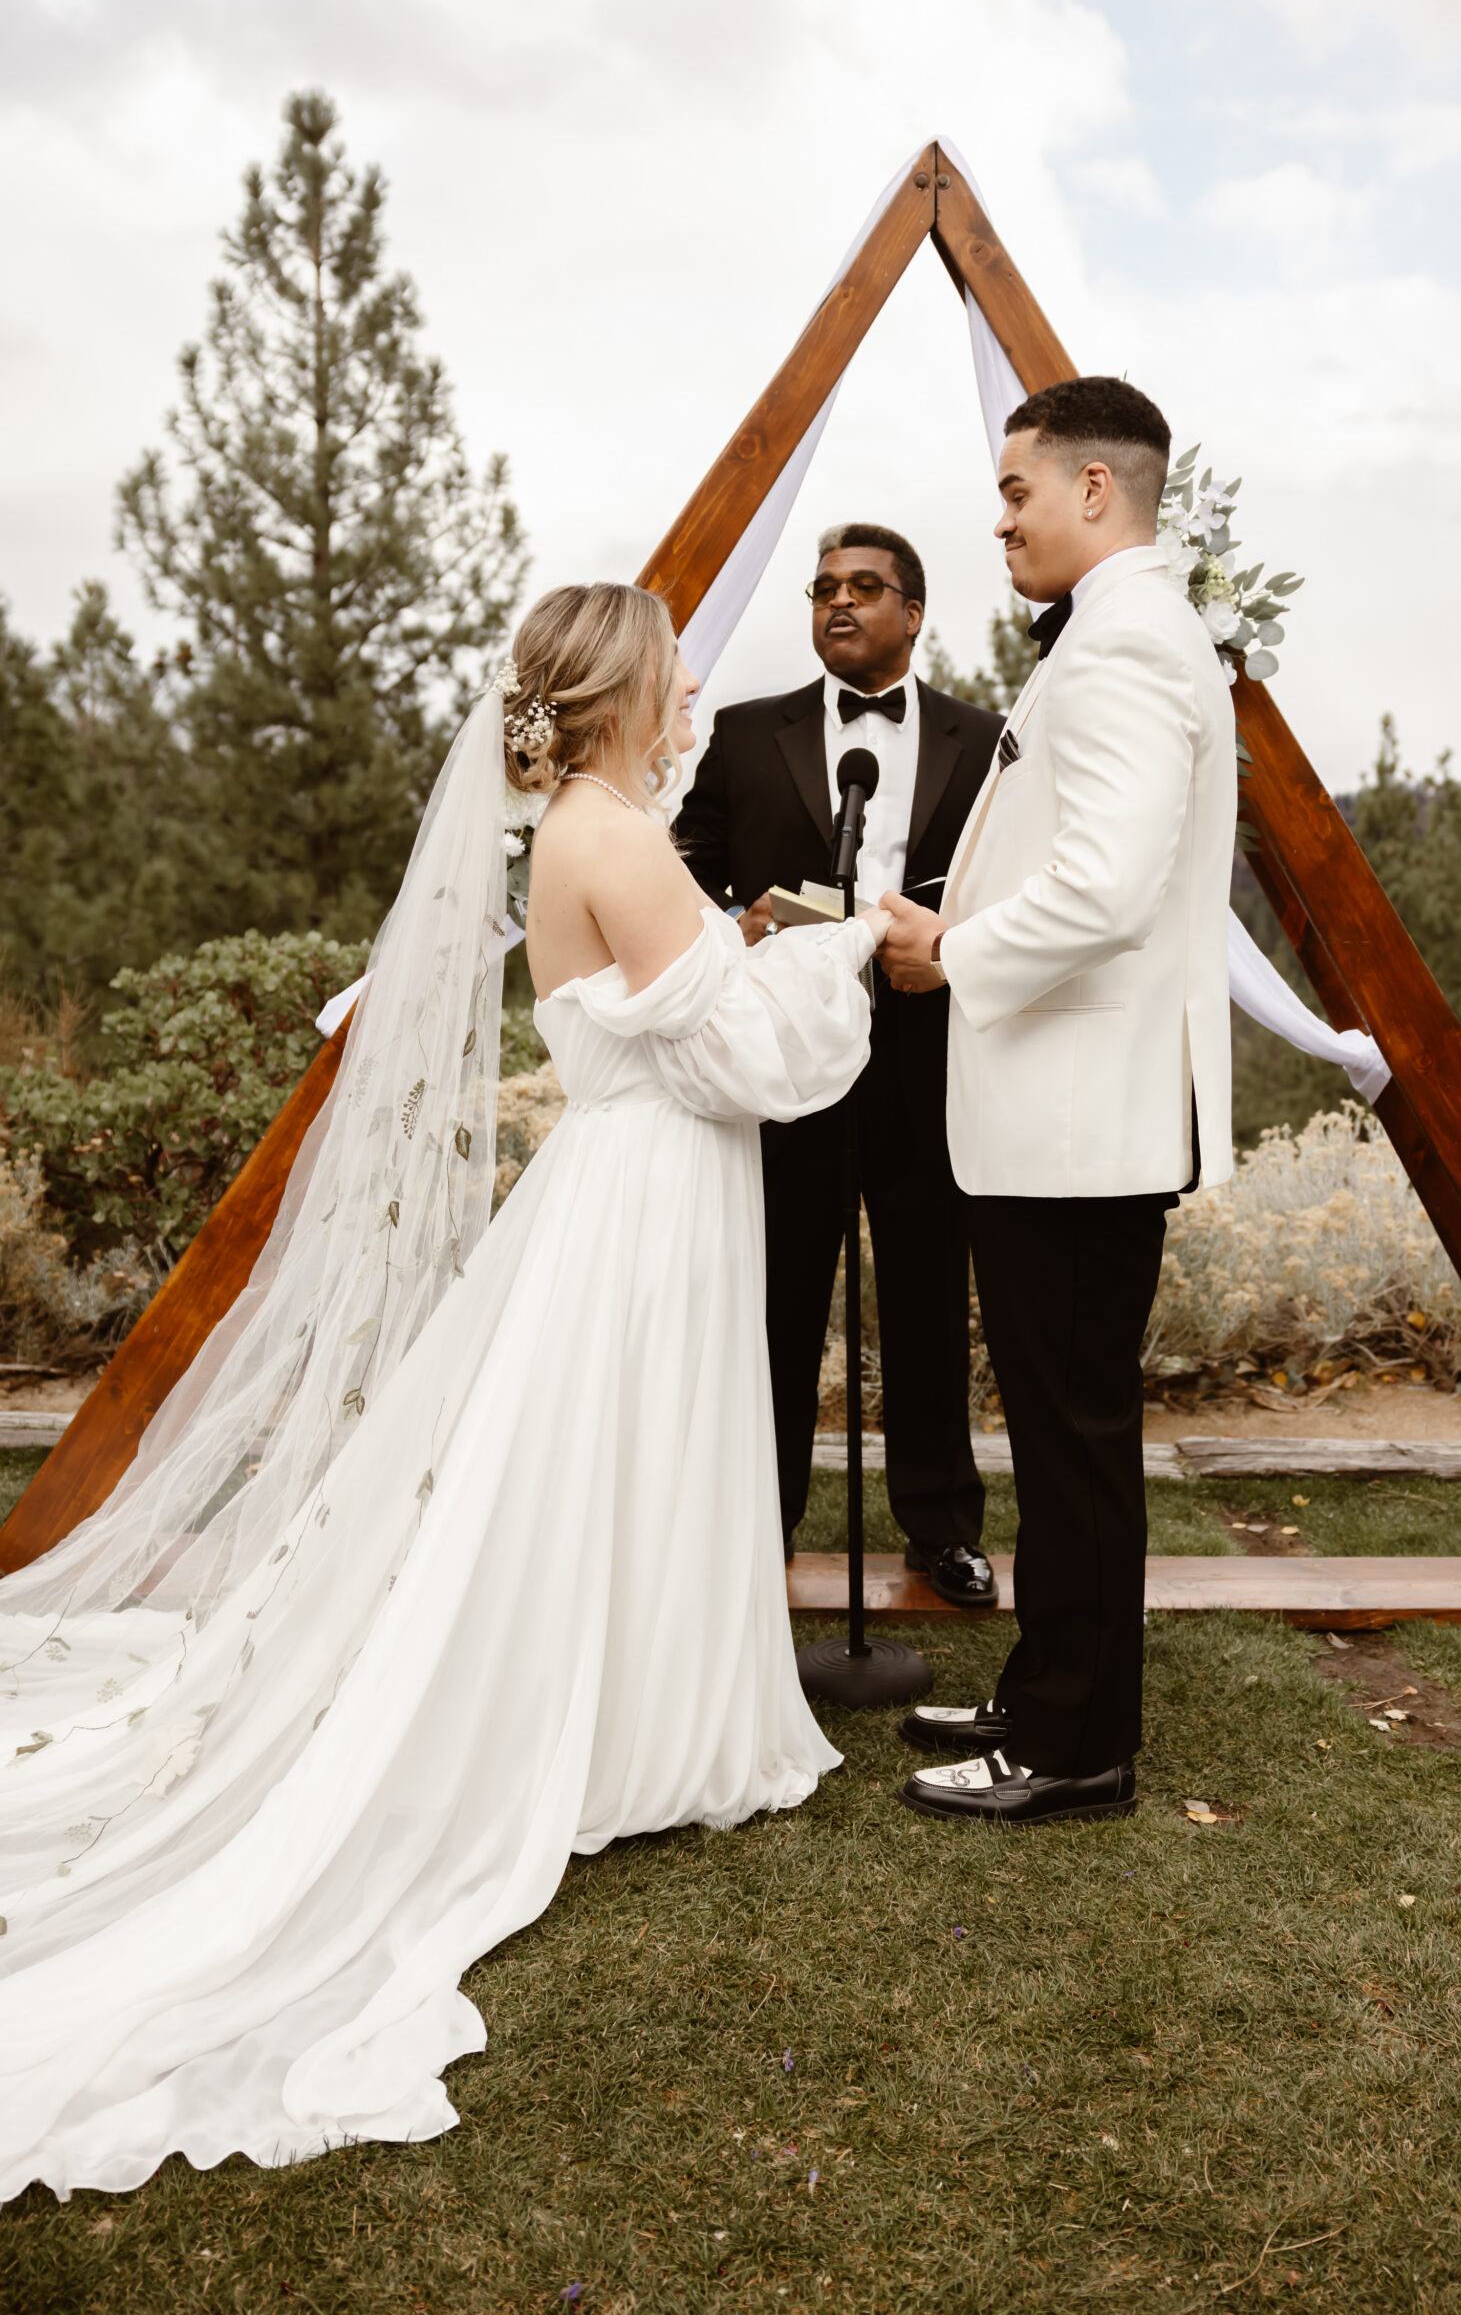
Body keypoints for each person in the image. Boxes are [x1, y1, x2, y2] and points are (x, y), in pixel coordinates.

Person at [0, 582, 887, 2201]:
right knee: (622, 1464)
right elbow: (749, 1059)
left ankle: (638, 1723)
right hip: (645, 1199)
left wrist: (751, 950)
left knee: (614, 1474)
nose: (696, 690)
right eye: (677, 670)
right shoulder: (611, 834)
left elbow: (680, 1013)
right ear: (622, 690)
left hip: (641, 1185)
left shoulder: (599, 823)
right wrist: (839, 949)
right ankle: (628, 1738)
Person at [878, 380, 1236, 1825]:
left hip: (1078, 1123)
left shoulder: (1131, 646)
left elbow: (1104, 885)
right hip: (1062, 1118)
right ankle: (1043, 1689)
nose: (1001, 518)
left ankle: (1074, 1747)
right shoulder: (1121, 634)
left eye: (1017, 492)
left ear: (1097, 490)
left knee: (1072, 1443)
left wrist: (945, 948)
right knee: (1052, 1430)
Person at [678, 524, 1004, 1602]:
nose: (839, 603)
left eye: (865, 587)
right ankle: (752, 1520)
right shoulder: (742, 733)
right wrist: (750, 919)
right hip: (784, 1056)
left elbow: (1012, 881)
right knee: (774, 1296)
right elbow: (685, 875)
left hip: (927, 1051)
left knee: (924, 1292)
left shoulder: (986, 737)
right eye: (822, 588)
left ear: (913, 613)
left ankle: (941, 1525)